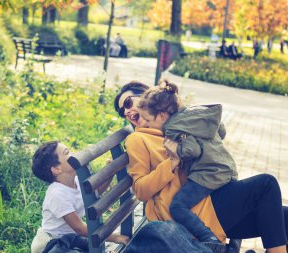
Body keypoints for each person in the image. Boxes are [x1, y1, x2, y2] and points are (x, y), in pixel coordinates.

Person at [114, 81, 288, 253]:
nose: (127, 111)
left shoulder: (174, 124)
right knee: (266, 184)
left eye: (128, 103)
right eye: (123, 111)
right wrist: (171, 162)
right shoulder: (138, 139)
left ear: (145, 97)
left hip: (209, 197)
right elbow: (141, 190)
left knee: (283, 217)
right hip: (194, 214)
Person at [136, 80, 238, 245]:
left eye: (148, 120)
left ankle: (209, 238)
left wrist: (176, 151)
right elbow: (221, 130)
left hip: (208, 173)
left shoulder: (172, 128)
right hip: (226, 167)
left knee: (177, 206)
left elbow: (193, 150)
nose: (147, 124)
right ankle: (231, 244)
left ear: (161, 116)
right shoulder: (190, 116)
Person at [30, 141, 129, 253]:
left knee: (94, 247)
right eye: (67, 153)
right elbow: (79, 228)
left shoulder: (76, 181)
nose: (74, 155)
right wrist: (114, 237)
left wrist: (110, 171)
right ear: (57, 169)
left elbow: (95, 192)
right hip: (54, 244)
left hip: (73, 238)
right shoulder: (56, 194)